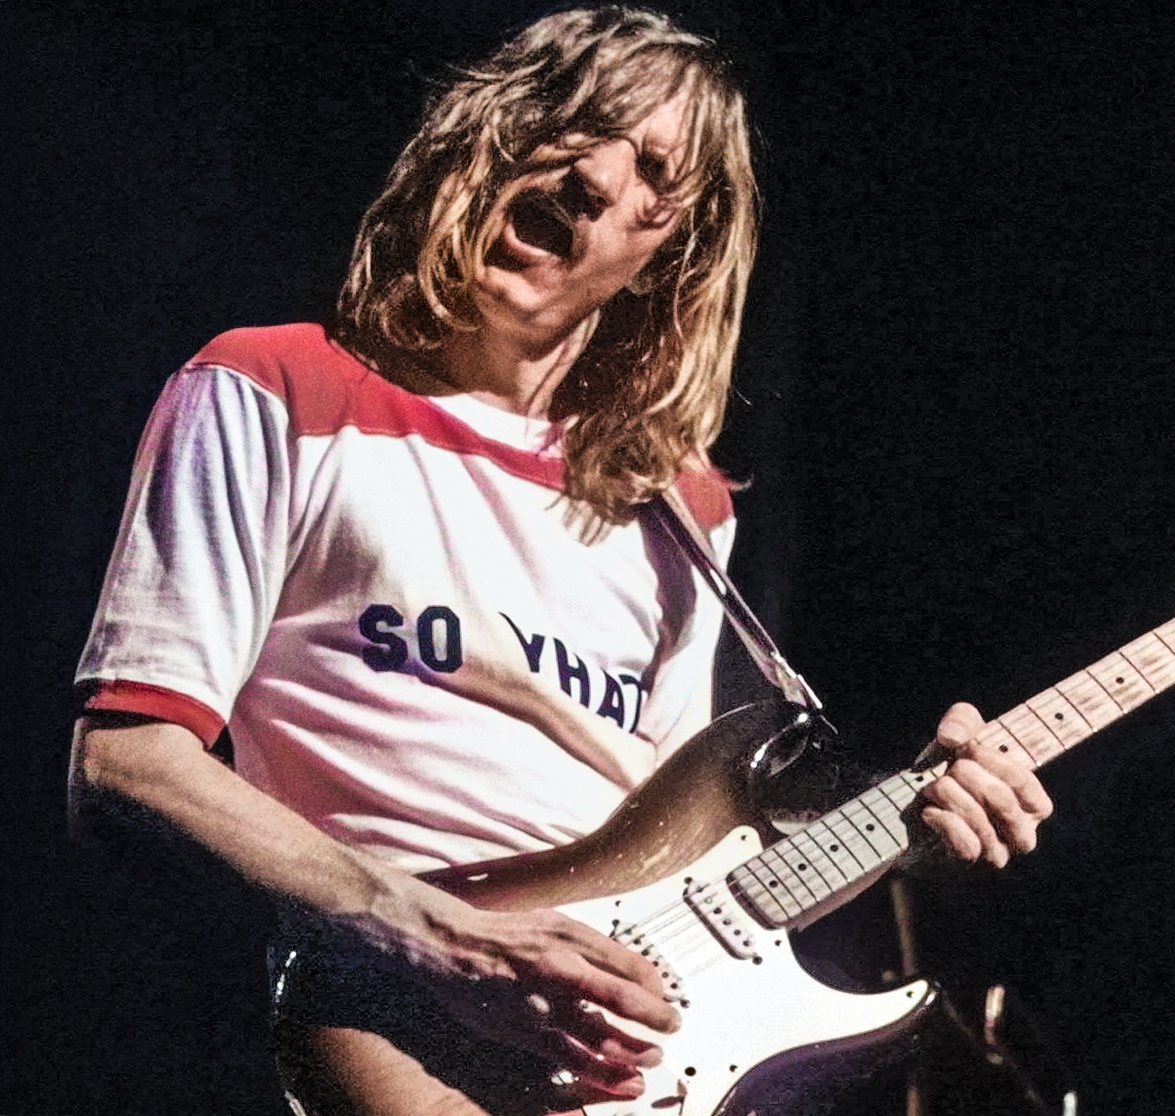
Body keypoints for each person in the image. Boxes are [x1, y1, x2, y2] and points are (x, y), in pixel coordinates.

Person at [68, 8, 1053, 1114]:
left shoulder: (679, 509)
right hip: (395, 1019)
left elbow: (693, 871)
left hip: (624, 1050)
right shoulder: (273, 388)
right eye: (569, 123)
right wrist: (437, 934)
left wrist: (905, 824)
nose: (590, 171)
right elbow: (129, 764)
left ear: (661, 250)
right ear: (481, 141)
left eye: (648, 167)